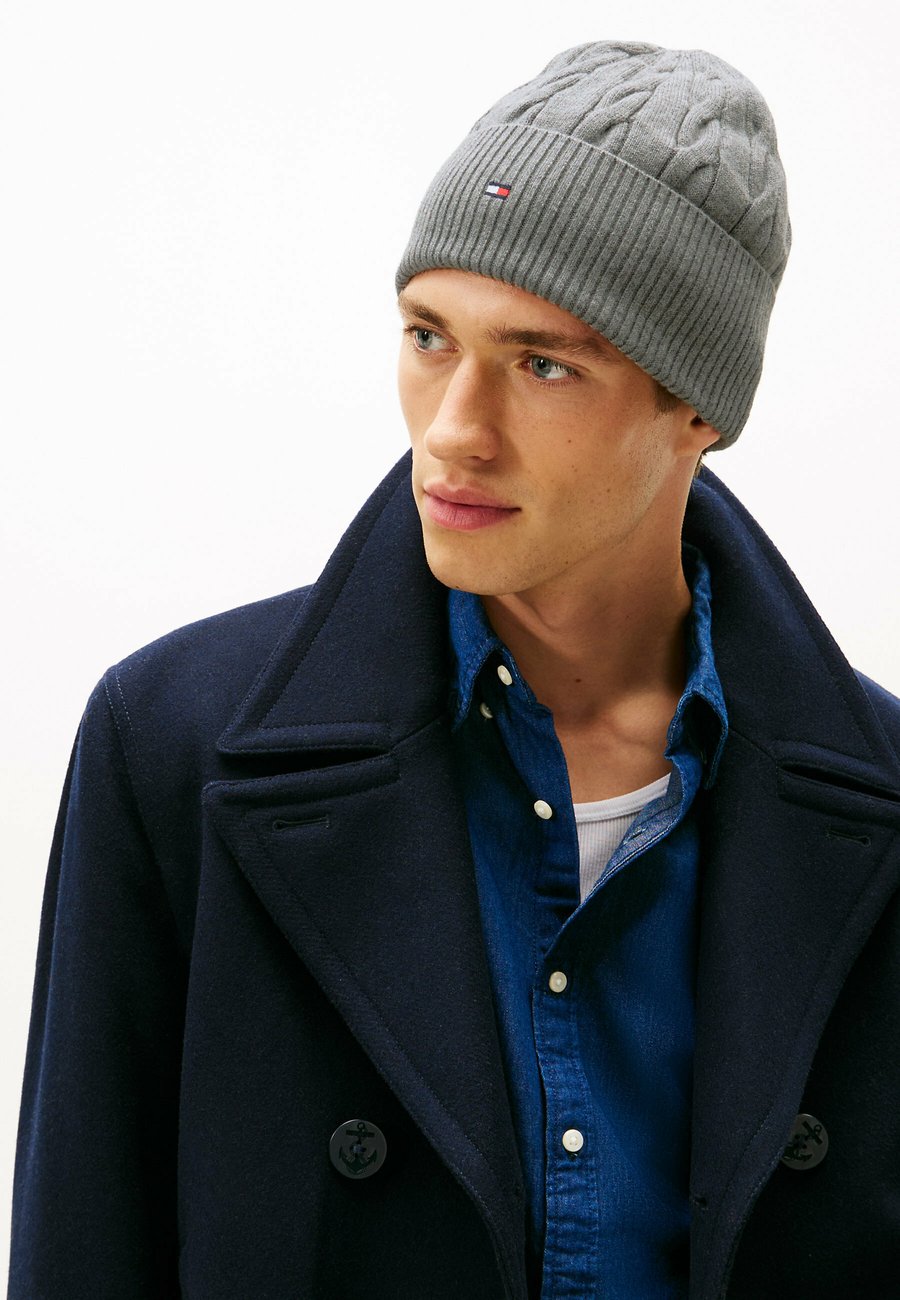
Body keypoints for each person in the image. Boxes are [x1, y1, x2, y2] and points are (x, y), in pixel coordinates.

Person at [9, 40, 900, 1300]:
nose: (454, 429)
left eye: (544, 364)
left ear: (696, 406)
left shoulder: (877, 801)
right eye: (429, 337)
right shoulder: (171, 748)